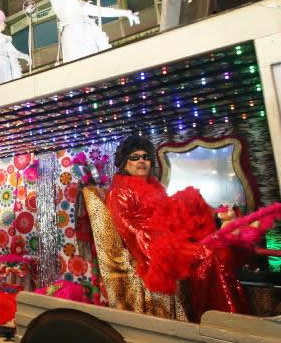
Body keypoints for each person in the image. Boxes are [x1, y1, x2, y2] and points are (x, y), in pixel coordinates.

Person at [105, 135, 252, 322]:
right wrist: (159, 246)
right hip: (153, 244)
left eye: (145, 157)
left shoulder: (154, 187)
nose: (141, 160)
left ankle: (230, 313)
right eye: (134, 157)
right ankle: (212, 317)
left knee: (219, 248)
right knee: (207, 256)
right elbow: (127, 227)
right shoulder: (119, 190)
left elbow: (171, 213)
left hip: (170, 238)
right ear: (125, 162)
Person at [44, 0, 140, 63]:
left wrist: (126, 13)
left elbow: (101, 11)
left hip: (87, 35)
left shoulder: (79, 3)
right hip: (72, 38)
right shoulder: (58, 2)